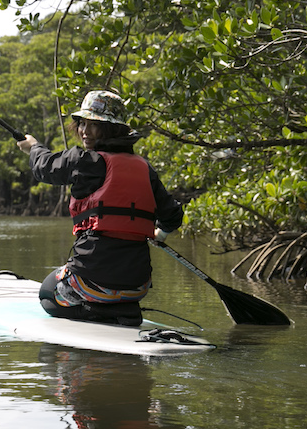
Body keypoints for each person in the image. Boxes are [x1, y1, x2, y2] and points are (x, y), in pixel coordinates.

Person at [15, 90, 183, 326]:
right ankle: (123, 309)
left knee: (47, 294)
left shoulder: (85, 162)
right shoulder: (145, 167)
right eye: (82, 123)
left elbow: (45, 167)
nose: (84, 130)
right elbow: (173, 215)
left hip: (93, 280)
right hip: (138, 286)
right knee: (107, 286)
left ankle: (101, 312)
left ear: (112, 129)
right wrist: (160, 233)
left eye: (94, 124)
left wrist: (33, 147)